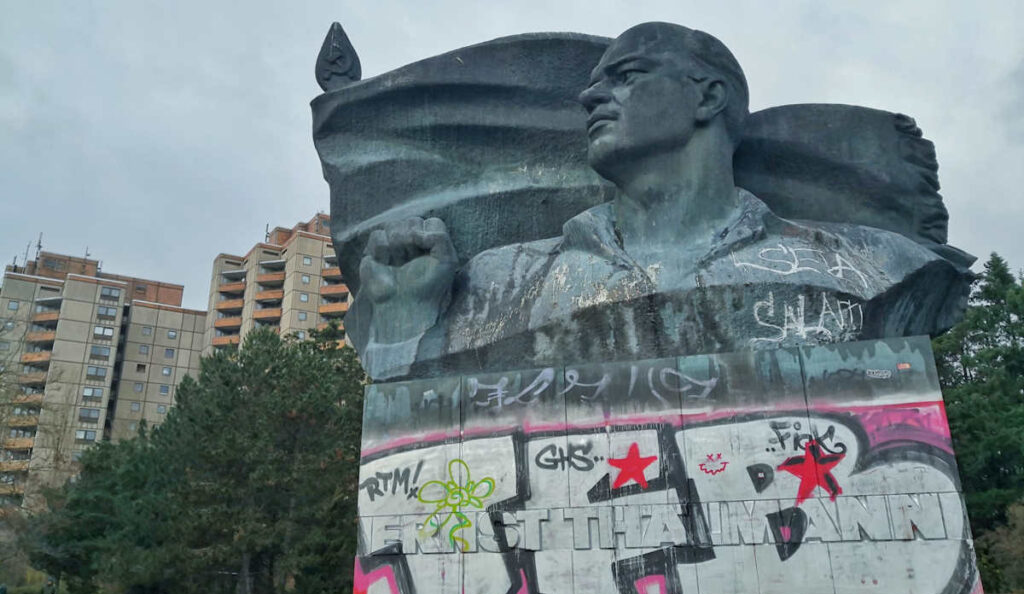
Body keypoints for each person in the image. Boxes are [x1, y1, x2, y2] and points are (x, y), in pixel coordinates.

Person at [349, 22, 970, 381]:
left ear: (707, 98)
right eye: (593, 85)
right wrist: (404, 322)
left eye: (626, 77)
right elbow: (417, 435)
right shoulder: (494, 281)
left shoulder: (874, 266)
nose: (592, 98)